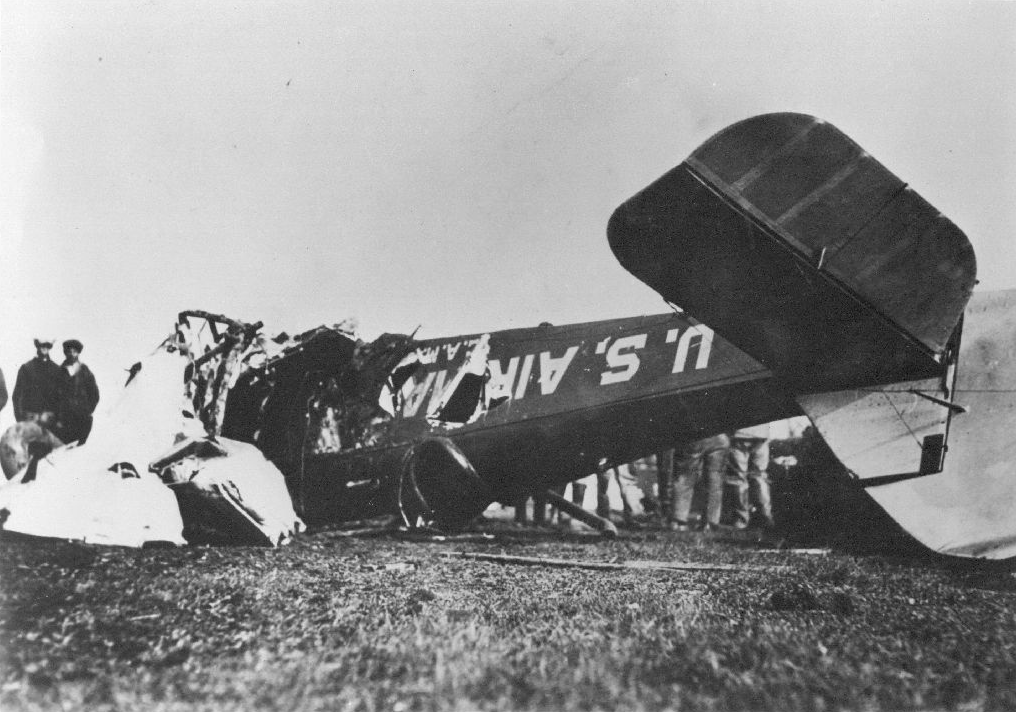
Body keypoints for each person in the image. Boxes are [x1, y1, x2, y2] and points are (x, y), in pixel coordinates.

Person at [671, 433, 731, 531]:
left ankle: (679, 521)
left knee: (685, 476)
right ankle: (710, 523)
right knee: (715, 480)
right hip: (720, 438)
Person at [727, 423, 774, 529]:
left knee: (738, 477)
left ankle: (741, 519)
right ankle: (766, 516)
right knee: (760, 476)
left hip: (739, 434)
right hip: (762, 434)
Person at [12, 338, 65, 423]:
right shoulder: (26, 368)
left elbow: (61, 397)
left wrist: (58, 419)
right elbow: (17, 395)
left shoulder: (56, 370)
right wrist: (20, 419)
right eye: (41, 345)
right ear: (37, 347)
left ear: (49, 347)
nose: (44, 348)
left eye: (47, 346)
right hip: (30, 418)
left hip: (50, 419)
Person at [58, 339, 100, 444]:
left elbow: (94, 394)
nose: (72, 354)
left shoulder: (85, 371)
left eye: (74, 351)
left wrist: (87, 410)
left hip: (83, 419)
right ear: (65, 353)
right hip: (65, 420)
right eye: (69, 351)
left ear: (78, 353)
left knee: (80, 449)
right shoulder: (59, 372)